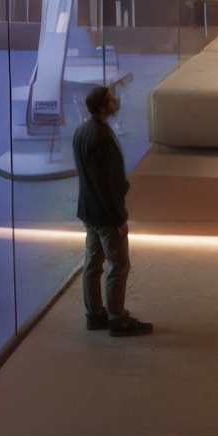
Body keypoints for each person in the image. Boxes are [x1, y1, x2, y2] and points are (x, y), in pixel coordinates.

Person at [71, 85, 152, 337]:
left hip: (90, 211)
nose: (115, 101)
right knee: (119, 264)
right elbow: (104, 183)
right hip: (105, 215)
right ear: (103, 107)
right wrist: (118, 218)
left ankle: (95, 315)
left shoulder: (83, 130)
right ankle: (117, 318)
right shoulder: (101, 136)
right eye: (111, 99)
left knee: (93, 264)